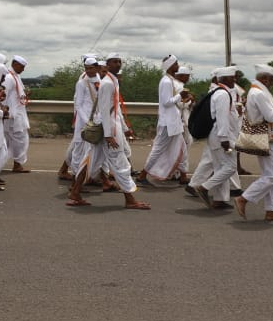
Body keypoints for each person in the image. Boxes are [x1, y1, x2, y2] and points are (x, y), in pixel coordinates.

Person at [66, 55, 149, 210]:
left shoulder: (112, 81)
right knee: (119, 162)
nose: (118, 64)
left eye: (119, 62)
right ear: (108, 65)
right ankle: (130, 199)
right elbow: (104, 110)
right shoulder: (107, 84)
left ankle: (75, 192)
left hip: (108, 127)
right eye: (114, 62)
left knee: (90, 160)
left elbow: (113, 109)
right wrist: (109, 135)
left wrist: (123, 128)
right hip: (108, 129)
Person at [235, 65, 273, 221]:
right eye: (270, 80)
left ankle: (271, 210)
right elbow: (271, 116)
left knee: (270, 175)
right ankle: (243, 198)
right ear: (264, 78)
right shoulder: (258, 93)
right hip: (266, 137)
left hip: (267, 136)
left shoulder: (256, 92)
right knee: (272, 175)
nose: (271, 83)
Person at [193, 65, 242, 209]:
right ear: (225, 79)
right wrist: (224, 139)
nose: (235, 79)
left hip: (218, 135)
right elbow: (222, 119)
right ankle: (204, 187)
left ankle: (219, 200)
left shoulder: (220, 92)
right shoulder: (222, 95)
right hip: (221, 136)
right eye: (232, 77)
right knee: (230, 167)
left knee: (220, 167)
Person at [140, 55, 193, 185]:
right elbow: (166, 102)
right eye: (176, 64)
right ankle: (143, 174)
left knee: (182, 149)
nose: (178, 66)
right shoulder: (166, 81)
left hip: (173, 122)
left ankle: (183, 176)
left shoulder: (169, 80)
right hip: (167, 123)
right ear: (170, 66)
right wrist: (180, 96)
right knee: (158, 149)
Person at [3, 56, 32, 173]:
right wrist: (6, 112)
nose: (23, 69)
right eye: (22, 66)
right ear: (15, 64)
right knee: (20, 140)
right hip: (12, 116)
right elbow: (3, 96)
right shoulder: (9, 77)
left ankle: (16, 164)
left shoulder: (16, 76)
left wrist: (25, 94)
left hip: (18, 114)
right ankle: (16, 164)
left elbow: (17, 94)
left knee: (12, 142)